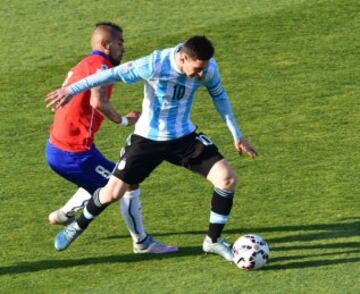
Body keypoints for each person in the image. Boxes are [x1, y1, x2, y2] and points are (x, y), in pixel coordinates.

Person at [46, 35, 257, 261]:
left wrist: (237, 134)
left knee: (227, 179)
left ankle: (213, 241)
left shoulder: (208, 68)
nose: (201, 75)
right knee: (112, 193)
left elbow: (219, 96)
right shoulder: (154, 64)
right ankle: (75, 226)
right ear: (183, 58)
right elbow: (108, 74)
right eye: (197, 69)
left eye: (203, 69)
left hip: (183, 138)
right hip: (147, 140)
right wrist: (71, 90)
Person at [45, 22, 177, 254]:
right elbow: (98, 101)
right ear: (106, 45)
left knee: (105, 177)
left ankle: (64, 214)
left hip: (62, 146)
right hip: (73, 152)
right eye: (120, 43)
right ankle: (142, 243)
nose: (123, 48)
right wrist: (124, 121)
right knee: (126, 183)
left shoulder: (86, 62)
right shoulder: (100, 66)